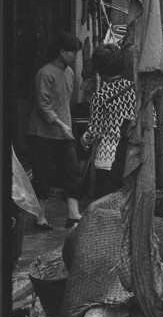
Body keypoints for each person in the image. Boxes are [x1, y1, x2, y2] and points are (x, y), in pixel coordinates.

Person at [27, 32, 84, 229]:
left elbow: (65, 103)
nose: (75, 56)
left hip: (63, 131)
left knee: (72, 172)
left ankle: (73, 213)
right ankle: (40, 217)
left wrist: (64, 125)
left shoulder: (70, 72)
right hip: (41, 133)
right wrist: (61, 124)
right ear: (61, 52)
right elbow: (43, 105)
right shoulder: (44, 73)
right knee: (42, 175)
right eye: (73, 52)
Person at [80, 43, 136, 199]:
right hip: (132, 157)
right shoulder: (136, 90)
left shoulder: (100, 96)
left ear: (99, 71)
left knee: (104, 205)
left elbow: (94, 132)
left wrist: (84, 138)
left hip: (108, 159)